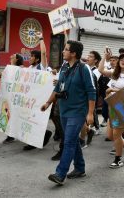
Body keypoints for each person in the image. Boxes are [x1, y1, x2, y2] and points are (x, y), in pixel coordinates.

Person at [41, 40, 96, 185]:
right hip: (64, 110)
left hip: (78, 112)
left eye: (66, 49)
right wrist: (48, 102)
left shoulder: (84, 69)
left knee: (69, 141)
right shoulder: (65, 67)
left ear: (74, 53)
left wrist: (90, 113)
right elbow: (58, 87)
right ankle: (80, 168)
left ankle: (60, 174)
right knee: (72, 141)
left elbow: (92, 92)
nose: (62, 51)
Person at [100, 51, 124, 168]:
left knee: (116, 134)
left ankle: (118, 159)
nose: (123, 61)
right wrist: (105, 57)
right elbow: (107, 91)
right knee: (110, 136)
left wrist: (113, 91)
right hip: (113, 107)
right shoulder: (115, 76)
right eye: (121, 59)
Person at [23, 33, 53, 150]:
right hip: (31, 99)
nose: (29, 58)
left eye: (31, 56)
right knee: (31, 119)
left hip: (41, 99)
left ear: (37, 59)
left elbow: (44, 53)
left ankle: (37, 140)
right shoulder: (30, 68)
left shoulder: (42, 67)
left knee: (36, 119)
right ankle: (41, 136)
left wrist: (41, 38)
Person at [2, 53, 24, 144]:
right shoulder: (9, 68)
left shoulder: (20, 69)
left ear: (17, 60)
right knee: (8, 114)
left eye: (13, 56)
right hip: (9, 97)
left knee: (13, 115)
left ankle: (12, 135)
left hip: (16, 98)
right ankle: (10, 134)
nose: (11, 56)